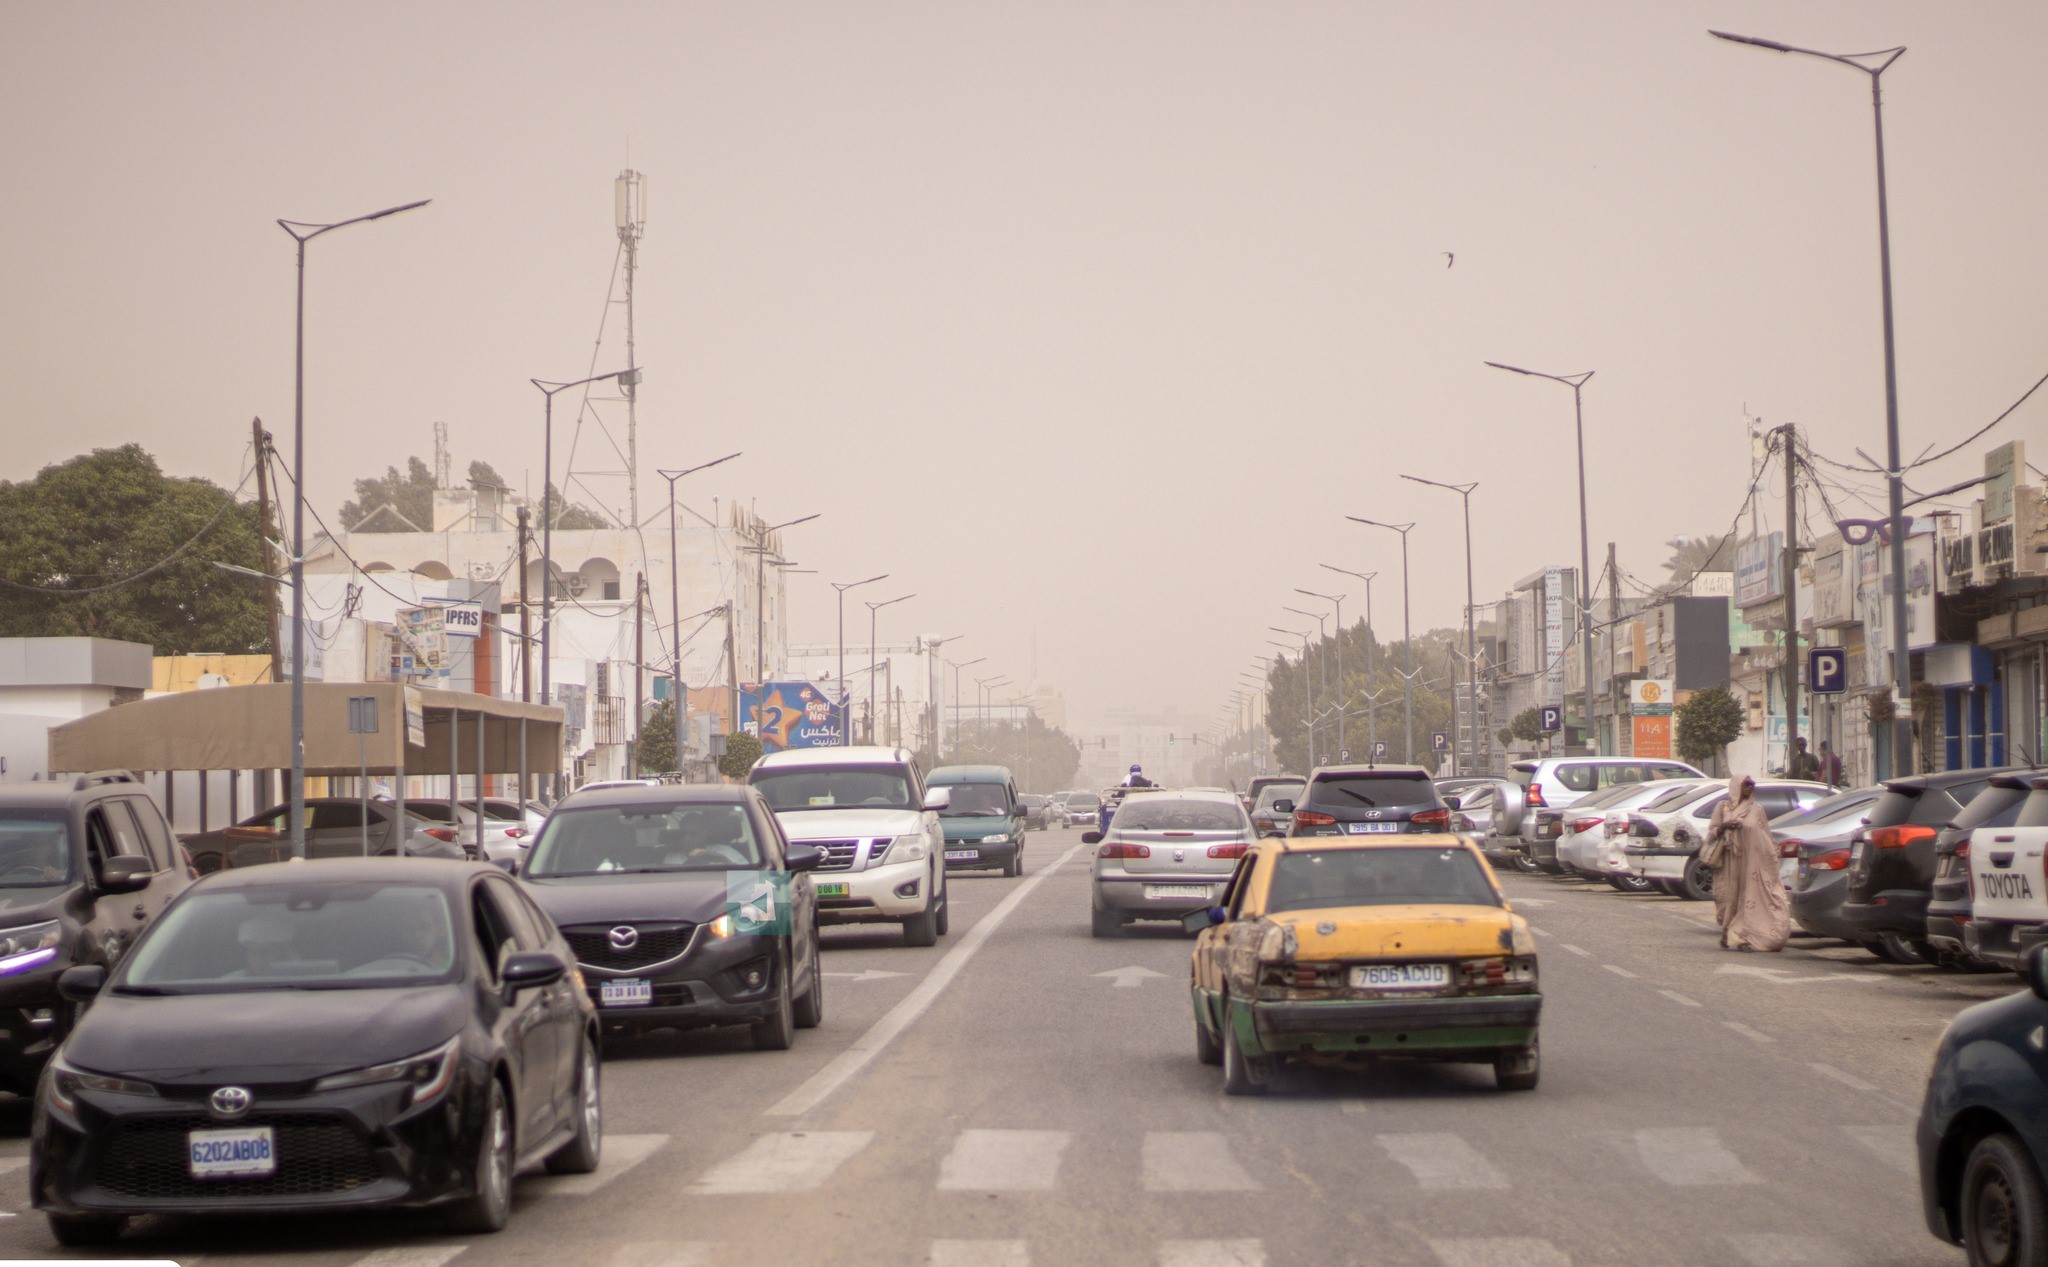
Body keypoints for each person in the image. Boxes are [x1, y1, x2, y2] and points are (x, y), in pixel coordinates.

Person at [1706, 775, 1790, 952]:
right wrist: (1725, 826)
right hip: (1730, 862)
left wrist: (1772, 859)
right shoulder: (1723, 808)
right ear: (1737, 787)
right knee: (1730, 898)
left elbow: (1765, 836)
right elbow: (1712, 831)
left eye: (1752, 785)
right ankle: (1728, 932)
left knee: (1750, 898)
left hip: (1751, 863)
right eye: (1746, 785)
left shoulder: (1757, 809)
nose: (1750, 788)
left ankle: (1743, 937)